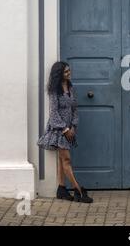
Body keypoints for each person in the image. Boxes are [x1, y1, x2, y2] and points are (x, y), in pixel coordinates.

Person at [38, 61, 93, 203]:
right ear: (59, 74)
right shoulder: (54, 91)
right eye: (66, 72)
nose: (69, 73)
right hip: (59, 131)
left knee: (62, 160)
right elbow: (53, 113)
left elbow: (74, 108)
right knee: (66, 159)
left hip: (69, 130)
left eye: (69, 71)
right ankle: (78, 190)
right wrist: (65, 129)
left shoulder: (70, 87)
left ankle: (61, 189)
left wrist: (73, 126)